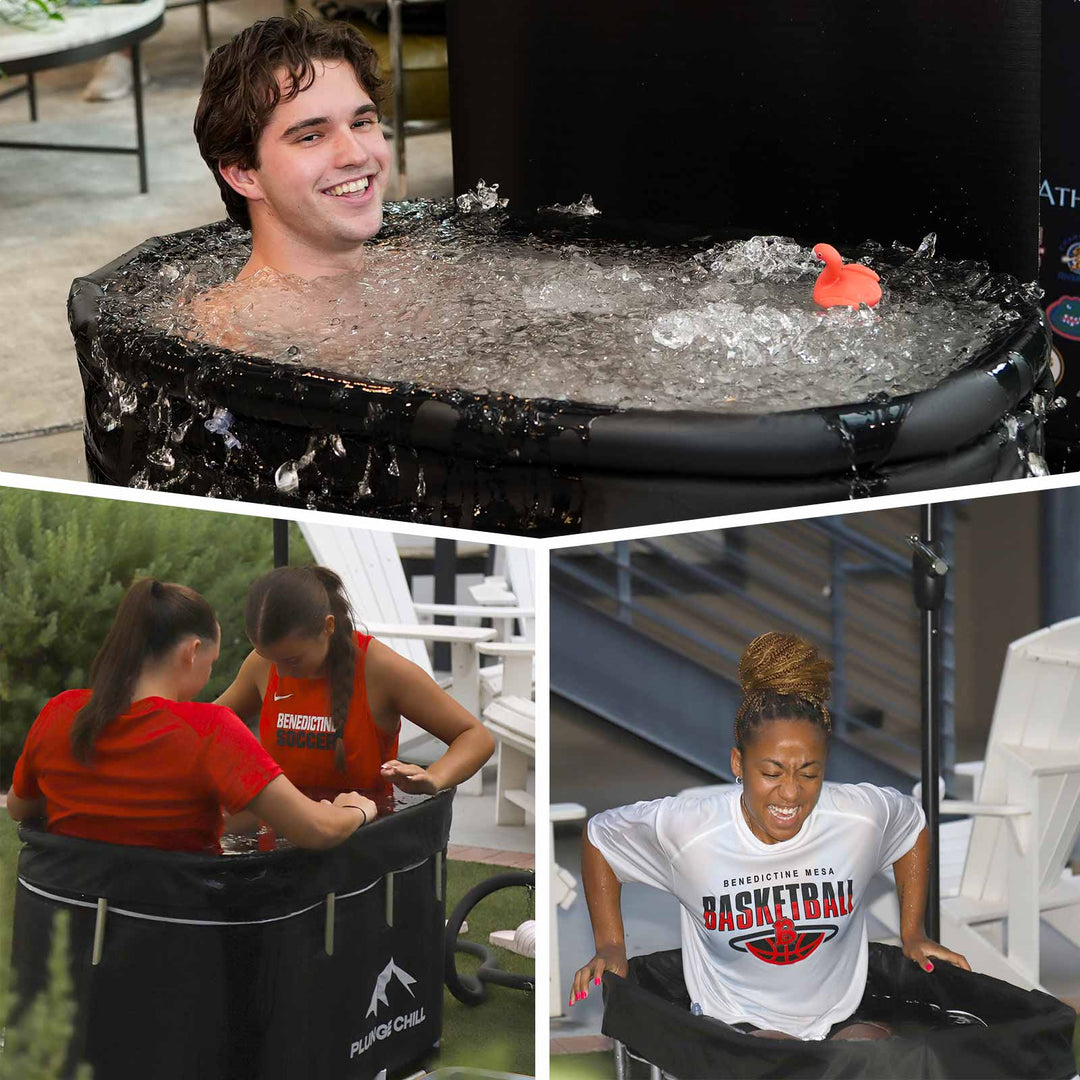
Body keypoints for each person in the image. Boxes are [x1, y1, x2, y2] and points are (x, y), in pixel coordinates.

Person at [570, 631, 970, 1041]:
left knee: (880, 1055)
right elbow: (600, 838)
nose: (791, 792)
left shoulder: (859, 816)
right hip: (738, 1021)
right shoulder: (689, 830)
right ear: (738, 763)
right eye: (772, 773)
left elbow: (911, 826)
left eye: (810, 772)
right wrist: (611, 945)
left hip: (840, 1013)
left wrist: (913, 932)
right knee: (776, 1059)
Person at [7, 579, 376, 853]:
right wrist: (356, 809)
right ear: (193, 651)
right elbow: (317, 831)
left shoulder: (60, 711)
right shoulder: (209, 730)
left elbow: (21, 807)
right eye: (211, 664)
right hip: (179, 936)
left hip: (70, 934)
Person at [215, 565, 494, 800]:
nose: (281, 674)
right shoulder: (263, 663)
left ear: (328, 627)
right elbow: (205, 725)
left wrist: (435, 776)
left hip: (362, 837)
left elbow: (475, 736)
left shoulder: (380, 669)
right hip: (286, 829)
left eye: (293, 660)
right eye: (268, 657)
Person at [193, 12, 390, 283]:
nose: (356, 154)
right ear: (243, 174)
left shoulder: (419, 275)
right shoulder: (242, 324)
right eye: (311, 137)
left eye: (361, 123)